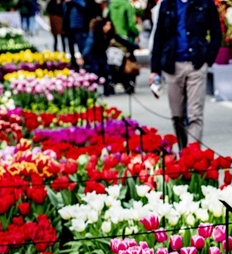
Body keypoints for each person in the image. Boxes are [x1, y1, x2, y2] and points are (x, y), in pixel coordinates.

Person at [149, 0, 221, 151]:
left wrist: (208, 60)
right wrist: (154, 69)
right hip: (172, 65)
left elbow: (216, 33)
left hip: (196, 64)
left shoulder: (205, 3)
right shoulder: (167, 4)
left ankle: (193, 157)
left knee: (195, 115)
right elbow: (159, 36)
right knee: (177, 116)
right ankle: (184, 153)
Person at [82, 17, 138, 95]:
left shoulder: (110, 34)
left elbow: (122, 41)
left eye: (109, 25)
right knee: (95, 71)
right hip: (93, 56)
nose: (108, 27)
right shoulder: (95, 33)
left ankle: (107, 91)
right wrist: (84, 56)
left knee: (106, 71)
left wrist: (135, 46)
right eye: (106, 25)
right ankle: (93, 90)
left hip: (102, 56)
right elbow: (88, 45)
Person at [63, 0, 90, 68]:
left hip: (77, 26)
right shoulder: (66, 3)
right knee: (70, 47)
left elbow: (83, 5)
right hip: (68, 27)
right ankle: (73, 63)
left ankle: (85, 63)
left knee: (81, 46)